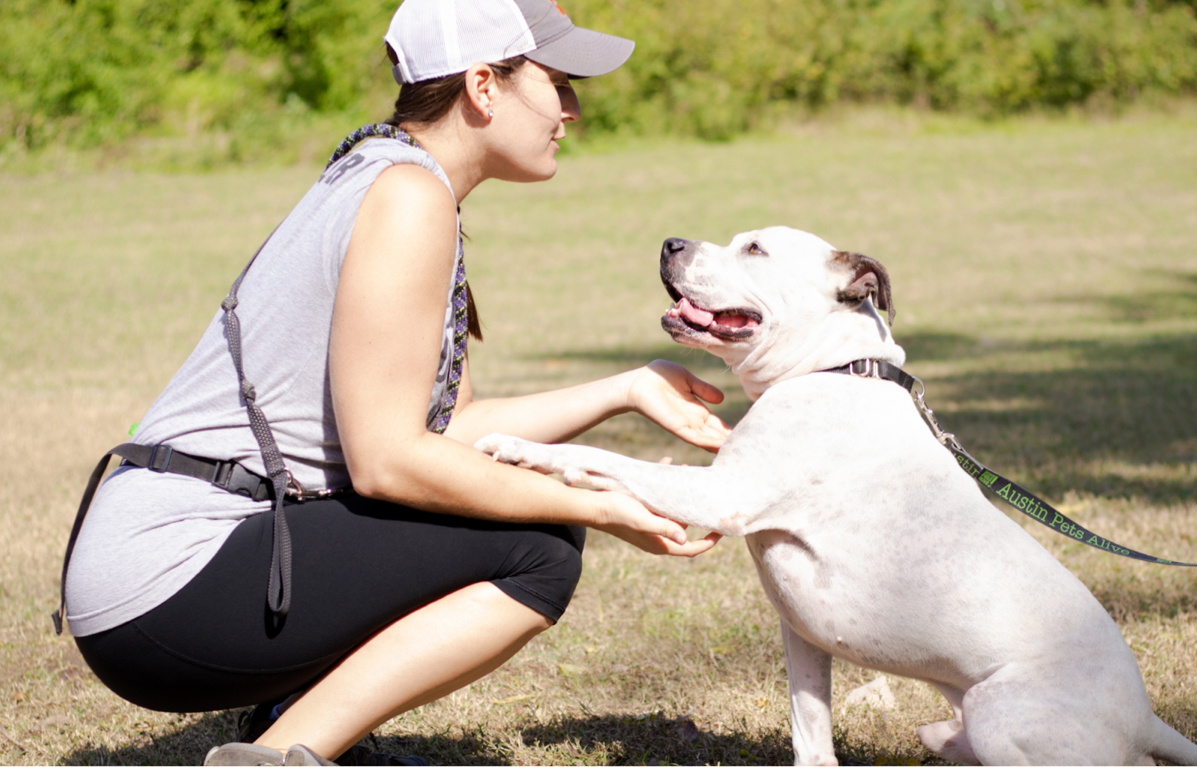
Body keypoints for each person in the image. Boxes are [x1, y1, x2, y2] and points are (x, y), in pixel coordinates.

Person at [58, 1, 729, 764]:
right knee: (541, 543)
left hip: (169, 572)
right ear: (484, 84)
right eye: (558, 81)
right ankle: (280, 754)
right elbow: (389, 463)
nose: (572, 108)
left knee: (515, 512)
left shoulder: (392, 175)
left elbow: (440, 435)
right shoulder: (409, 197)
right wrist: (599, 504)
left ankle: (294, 722)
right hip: (168, 582)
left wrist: (626, 388)